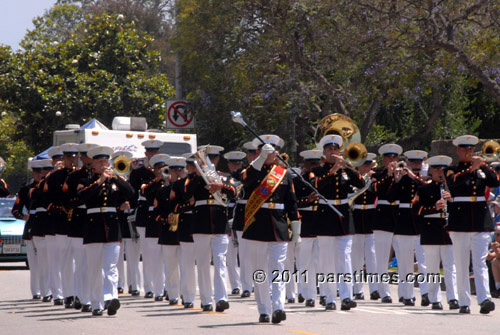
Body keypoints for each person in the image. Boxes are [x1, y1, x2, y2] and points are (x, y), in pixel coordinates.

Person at [241, 135, 300, 323]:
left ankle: (278, 308)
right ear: (259, 152)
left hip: (279, 226)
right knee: (260, 271)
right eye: (265, 150)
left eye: (273, 150)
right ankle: (264, 309)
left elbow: (292, 204)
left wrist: (297, 232)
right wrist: (259, 159)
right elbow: (247, 180)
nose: (270, 153)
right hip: (257, 225)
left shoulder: (284, 174)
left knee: (278, 269)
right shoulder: (252, 171)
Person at [78, 146, 134, 316]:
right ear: (93, 164)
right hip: (93, 227)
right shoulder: (86, 181)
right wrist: (100, 180)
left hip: (112, 227)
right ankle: (96, 303)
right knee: (94, 268)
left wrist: (117, 178)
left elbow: (131, 193)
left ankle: (111, 298)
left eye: (105, 161)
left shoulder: (114, 181)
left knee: (111, 266)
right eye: (100, 162)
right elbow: (83, 196)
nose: (104, 164)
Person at [446, 135, 499, 314]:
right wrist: (472, 169)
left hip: (479, 221)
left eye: (471, 149)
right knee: (461, 264)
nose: (469, 152)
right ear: (459, 151)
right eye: (466, 149)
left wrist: (483, 165)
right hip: (460, 222)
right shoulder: (452, 169)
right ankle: (464, 301)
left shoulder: (481, 171)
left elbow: (495, 182)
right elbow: (453, 184)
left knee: (480, 262)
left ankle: (485, 299)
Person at [311, 135, 364, 311]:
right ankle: (329, 297)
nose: (334, 152)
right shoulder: (318, 171)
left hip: (344, 217)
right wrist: (332, 170)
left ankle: (347, 296)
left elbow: (361, 183)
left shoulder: (346, 171)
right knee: (327, 261)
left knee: (345, 258)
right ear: (324, 153)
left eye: (336, 149)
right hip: (325, 216)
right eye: (330, 150)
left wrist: (347, 166)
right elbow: (315, 186)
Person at [183, 145, 236, 312]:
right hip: (201, 223)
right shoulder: (192, 178)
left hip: (220, 223)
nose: (209, 161)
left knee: (220, 262)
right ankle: (206, 299)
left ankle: (221, 299)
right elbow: (185, 194)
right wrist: (199, 177)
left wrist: (221, 186)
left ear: (217, 160)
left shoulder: (224, 177)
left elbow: (234, 192)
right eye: (206, 158)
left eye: (212, 158)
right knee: (204, 264)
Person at [415, 155, 459, 310]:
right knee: (432, 267)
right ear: (432, 171)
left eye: (443, 170)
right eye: (438, 170)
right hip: (430, 229)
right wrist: (434, 207)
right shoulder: (423, 189)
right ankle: (435, 298)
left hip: (447, 230)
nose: (441, 173)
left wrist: (452, 200)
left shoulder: (452, 188)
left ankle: (453, 298)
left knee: (450, 266)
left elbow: (461, 209)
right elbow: (416, 209)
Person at [387, 150, 428, 306]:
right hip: (404, 222)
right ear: (409, 163)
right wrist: (396, 180)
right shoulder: (401, 180)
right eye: (413, 163)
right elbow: (390, 198)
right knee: (405, 262)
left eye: (419, 163)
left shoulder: (425, 180)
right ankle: (407, 294)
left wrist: (413, 177)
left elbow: (427, 191)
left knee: (423, 261)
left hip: (420, 222)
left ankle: (425, 293)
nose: (416, 165)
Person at [62, 143, 98, 312]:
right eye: (88, 157)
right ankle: (83, 298)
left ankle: (92, 296)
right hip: (79, 221)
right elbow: (67, 201)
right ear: (83, 158)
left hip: (96, 220)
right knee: (81, 263)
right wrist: (84, 197)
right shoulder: (74, 177)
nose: (91, 160)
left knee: (94, 264)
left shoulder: (102, 176)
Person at [129, 139, 163, 298]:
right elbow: (133, 193)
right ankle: (149, 287)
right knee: (148, 252)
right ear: (146, 154)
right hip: (144, 213)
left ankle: (163, 286)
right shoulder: (139, 172)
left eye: (155, 152)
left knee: (163, 252)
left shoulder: (166, 171)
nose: (153, 154)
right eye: (150, 152)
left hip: (161, 214)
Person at [372, 143, 402, 303]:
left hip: (399, 216)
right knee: (382, 258)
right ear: (383, 161)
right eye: (389, 158)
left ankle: (405, 292)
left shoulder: (404, 174)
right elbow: (378, 191)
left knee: (403, 258)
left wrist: (399, 177)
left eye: (394, 157)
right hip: (382, 217)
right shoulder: (377, 175)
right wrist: (389, 176)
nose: (392, 160)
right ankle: (384, 292)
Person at [156, 156, 187, 306]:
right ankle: (173, 294)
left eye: (180, 170)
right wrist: (164, 218)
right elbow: (156, 212)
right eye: (174, 171)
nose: (177, 173)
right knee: (171, 266)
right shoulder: (163, 191)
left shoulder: (188, 188)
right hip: (168, 232)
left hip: (185, 230)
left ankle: (185, 293)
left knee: (186, 265)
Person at [294, 149, 322, 307]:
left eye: (316, 164)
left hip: (321, 223)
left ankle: (321, 291)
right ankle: (305, 293)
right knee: (304, 262)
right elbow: (293, 202)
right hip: (305, 223)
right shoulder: (299, 181)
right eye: (311, 164)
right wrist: (307, 200)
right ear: (305, 164)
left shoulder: (324, 178)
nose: (314, 167)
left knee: (320, 261)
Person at [12, 159, 42, 299]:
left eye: (42, 171)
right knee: (34, 261)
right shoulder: (26, 189)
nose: (39, 174)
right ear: (33, 173)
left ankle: (47, 290)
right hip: (31, 225)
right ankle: (36, 291)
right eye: (36, 172)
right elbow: (15, 210)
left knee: (47, 261)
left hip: (46, 225)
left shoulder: (49, 186)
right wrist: (23, 216)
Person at [142, 153, 170, 301]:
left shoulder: (171, 182)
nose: (161, 170)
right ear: (153, 170)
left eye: (163, 167)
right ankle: (158, 290)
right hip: (153, 222)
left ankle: (169, 288)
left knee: (169, 258)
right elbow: (145, 193)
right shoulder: (149, 184)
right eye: (158, 168)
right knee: (156, 259)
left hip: (167, 221)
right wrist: (158, 180)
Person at [351, 153, 379, 301]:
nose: (367, 167)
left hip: (370, 217)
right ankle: (358, 289)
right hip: (356, 216)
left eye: (369, 165)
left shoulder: (374, 178)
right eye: (365, 164)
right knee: (356, 258)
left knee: (371, 256)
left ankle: (374, 289)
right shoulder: (353, 178)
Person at [232, 142, 258, 298]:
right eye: (250, 154)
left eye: (255, 153)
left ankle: (259, 283)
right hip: (244, 213)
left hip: (259, 213)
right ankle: (247, 286)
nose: (252, 156)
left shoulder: (268, 173)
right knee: (244, 253)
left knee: (260, 252)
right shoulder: (241, 172)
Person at [29, 158, 54, 302]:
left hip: (55, 226)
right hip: (40, 225)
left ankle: (57, 291)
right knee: (44, 262)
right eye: (42, 171)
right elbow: (35, 196)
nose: (43, 174)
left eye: (48, 171)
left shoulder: (56, 182)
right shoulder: (35, 187)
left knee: (55, 262)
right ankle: (46, 291)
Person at [223, 150, 246, 295]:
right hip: (227, 218)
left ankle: (247, 284)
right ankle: (235, 285)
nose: (236, 166)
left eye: (239, 163)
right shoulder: (224, 179)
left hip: (241, 218)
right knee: (230, 256)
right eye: (234, 163)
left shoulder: (245, 178)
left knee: (244, 254)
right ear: (229, 165)